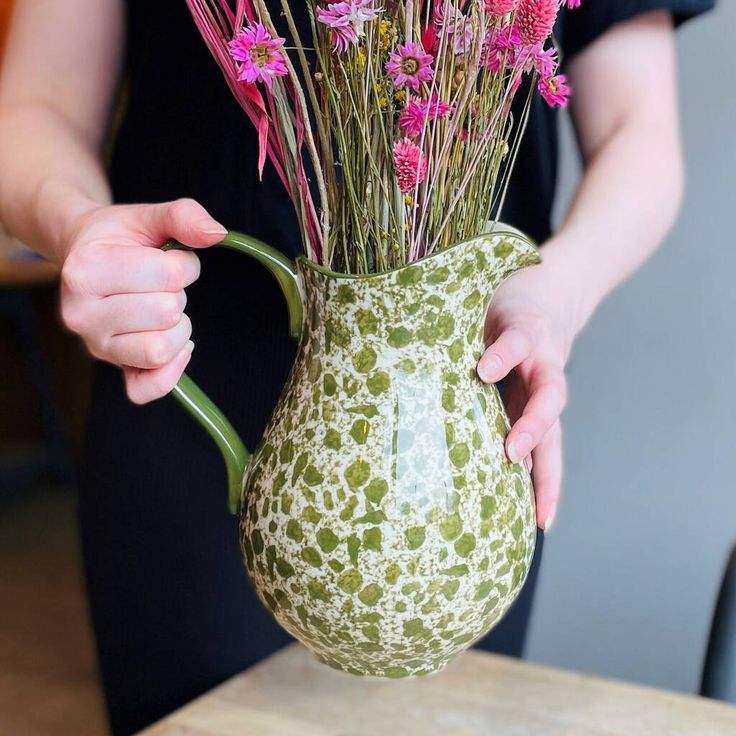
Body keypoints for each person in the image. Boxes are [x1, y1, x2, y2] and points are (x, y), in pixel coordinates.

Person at [0, 0, 714, 733]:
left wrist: (553, 296)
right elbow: (38, 106)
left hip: (459, 440)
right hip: (179, 382)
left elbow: (637, 133)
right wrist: (80, 228)